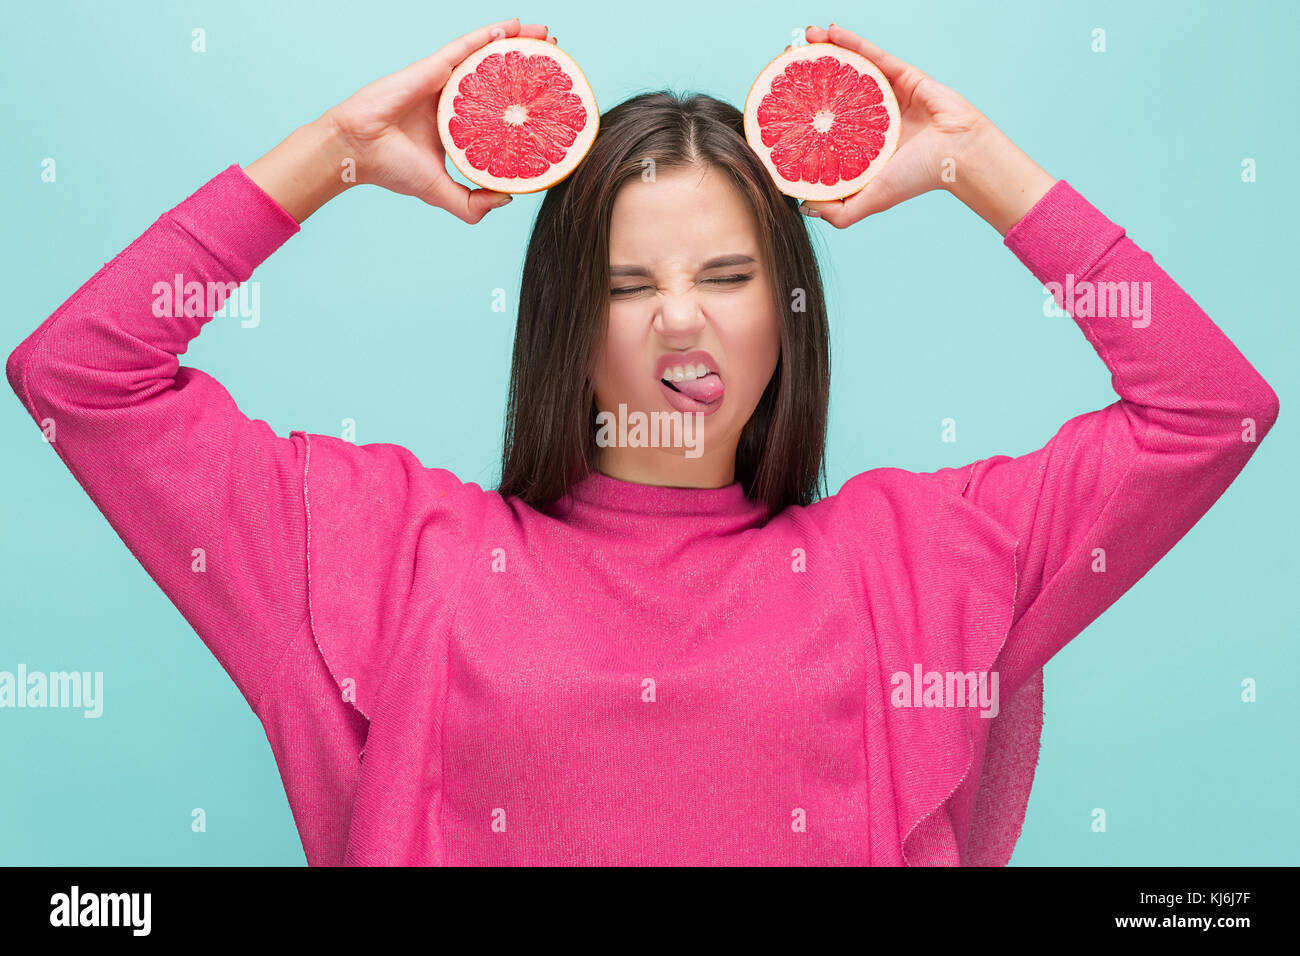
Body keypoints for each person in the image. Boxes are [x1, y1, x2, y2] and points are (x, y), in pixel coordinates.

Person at [6, 18, 1278, 865]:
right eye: (627, 285)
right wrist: (333, 158)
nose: (680, 315)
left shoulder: (914, 555)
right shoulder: (398, 551)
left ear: (787, 316)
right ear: (567, 321)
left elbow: (1209, 411)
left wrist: (972, 162)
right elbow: (82, 377)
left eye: (726, 274)